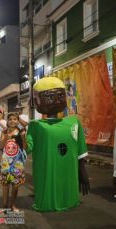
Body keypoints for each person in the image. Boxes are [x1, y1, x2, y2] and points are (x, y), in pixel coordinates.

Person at [26, 77, 90, 212]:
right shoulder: (36, 126)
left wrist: (82, 171)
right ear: (37, 102)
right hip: (47, 179)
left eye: (60, 95)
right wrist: (20, 142)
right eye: (49, 97)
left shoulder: (74, 122)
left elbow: (79, 150)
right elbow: (28, 147)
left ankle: (69, 198)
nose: (55, 100)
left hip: (70, 181)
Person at [0, 112, 27, 212]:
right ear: (7, 121)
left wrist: (23, 137)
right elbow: (1, 147)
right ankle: (5, 205)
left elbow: (25, 147)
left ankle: (13, 205)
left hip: (18, 163)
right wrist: (6, 137)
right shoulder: (4, 132)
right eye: (10, 119)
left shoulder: (21, 131)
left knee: (15, 185)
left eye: (15, 119)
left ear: (18, 121)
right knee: (5, 184)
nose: (12, 121)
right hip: (6, 162)